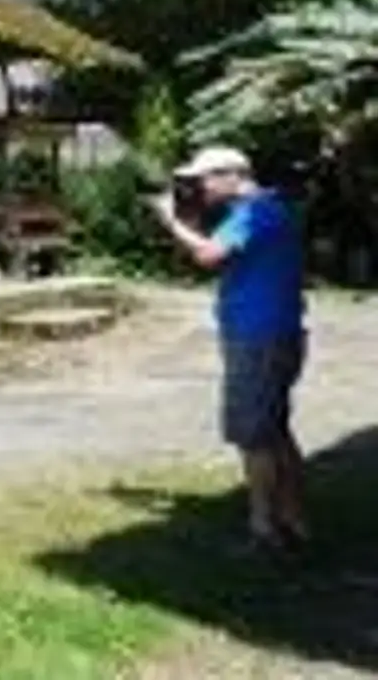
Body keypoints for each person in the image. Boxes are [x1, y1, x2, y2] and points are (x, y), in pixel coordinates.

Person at [152, 145, 309, 557]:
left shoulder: (253, 214)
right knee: (276, 430)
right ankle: (292, 518)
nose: (198, 187)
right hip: (276, 333)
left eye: (204, 179)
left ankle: (263, 528)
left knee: (254, 436)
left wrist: (170, 221)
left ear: (232, 176)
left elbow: (207, 255)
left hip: (257, 338)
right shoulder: (267, 209)